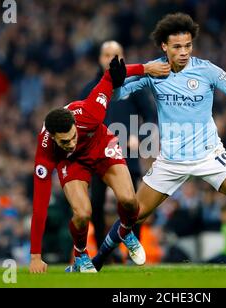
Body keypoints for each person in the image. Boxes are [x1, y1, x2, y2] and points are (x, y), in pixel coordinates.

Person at [93, 13, 226, 270]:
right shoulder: (153, 70)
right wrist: (115, 81)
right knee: (132, 215)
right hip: (171, 161)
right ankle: (97, 260)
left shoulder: (207, 70)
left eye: (188, 45)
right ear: (164, 46)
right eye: (177, 47)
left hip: (209, 155)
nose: (184, 52)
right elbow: (117, 97)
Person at [29, 56, 169, 273]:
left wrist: (146, 68)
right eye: (64, 141)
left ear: (75, 125)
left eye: (73, 136)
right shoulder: (46, 151)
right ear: (54, 138)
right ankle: (81, 255)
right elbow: (39, 205)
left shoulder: (91, 111)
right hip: (72, 162)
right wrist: (36, 256)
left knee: (130, 202)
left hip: (100, 146)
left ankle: (125, 231)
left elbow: (110, 76)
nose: (71, 143)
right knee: (83, 213)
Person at [79, 41, 157, 247]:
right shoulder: (89, 89)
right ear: (99, 58)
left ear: (123, 57)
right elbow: (78, 122)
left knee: (130, 202)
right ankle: (103, 250)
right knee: (96, 204)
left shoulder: (133, 86)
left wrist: (139, 137)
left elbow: (151, 115)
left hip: (126, 155)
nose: (111, 59)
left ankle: (135, 246)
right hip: (97, 157)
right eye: (107, 55)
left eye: (116, 54)